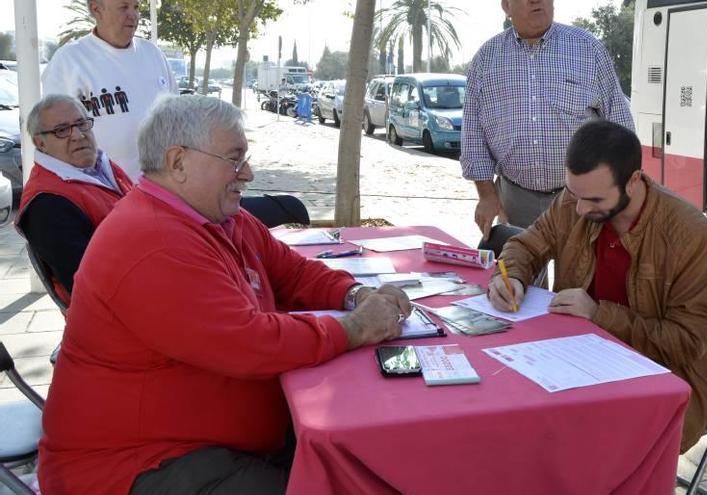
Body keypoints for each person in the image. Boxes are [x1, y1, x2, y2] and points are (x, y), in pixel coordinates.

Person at [37, 95, 411, 494]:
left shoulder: (216, 216)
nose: (247, 173)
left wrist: (356, 294)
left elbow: (292, 271)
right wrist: (354, 329)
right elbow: (250, 343)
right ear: (178, 162)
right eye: (234, 159)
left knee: (369, 460)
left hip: (211, 443)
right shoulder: (151, 241)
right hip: (137, 463)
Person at [487, 121, 707, 453]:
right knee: (508, 405)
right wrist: (510, 279)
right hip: (576, 363)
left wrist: (599, 315)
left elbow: (686, 342)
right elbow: (525, 246)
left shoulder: (688, 234)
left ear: (634, 180)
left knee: (570, 440)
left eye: (594, 199)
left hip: (666, 381)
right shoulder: (574, 201)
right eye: (574, 194)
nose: (580, 209)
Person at [461, 0, 634, 239]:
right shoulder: (486, 60)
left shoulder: (588, 49)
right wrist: (486, 195)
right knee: (519, 274)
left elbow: (620, 124)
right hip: (515, 200)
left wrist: (619, 193)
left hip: (581, 199)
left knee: (579, 275)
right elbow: (473, 133)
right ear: (506, 6)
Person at [15, 94, 133, 307]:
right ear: (40, 143)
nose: (78, 135)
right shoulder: (48, 204)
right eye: (61, 130)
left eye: (81, 124)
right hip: (116, 312)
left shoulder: (100, 165)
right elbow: (92, 288)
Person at [42, 0, 177, 182]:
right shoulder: (68, 61)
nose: (133, 15)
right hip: (99, 193)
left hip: (158, 190)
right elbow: (56, 137)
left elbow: (176, 117)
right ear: (96, 9)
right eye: (124, 7)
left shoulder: (153, 54)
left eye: (136, 7)